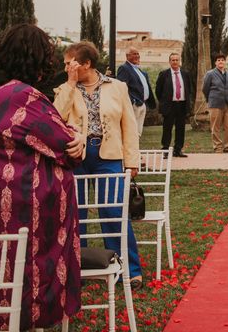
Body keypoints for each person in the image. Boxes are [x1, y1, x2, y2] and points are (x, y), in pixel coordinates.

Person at [0, 24, 83, 331]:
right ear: (36, 59)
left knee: (1, 278)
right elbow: (64, 143)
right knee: (25, 284)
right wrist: (79, 139)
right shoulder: (24, 97)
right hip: (26, 218)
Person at [53, 41, 144, 290]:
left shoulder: (117, 87)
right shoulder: (64, 88)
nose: (65, 67)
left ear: (86, 64)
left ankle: (128, 269)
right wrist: (71, 84)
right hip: (76, 157)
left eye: (69, 63)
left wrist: (131, 161)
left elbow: (129, 126)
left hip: (110, 156)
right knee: (76, 213)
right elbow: (54, 118)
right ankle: (76, 270)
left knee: (113, 212)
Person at [156, 52, 191, 157]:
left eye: (177, 60)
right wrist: (164, 102)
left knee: (181, 128)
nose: (175, 62)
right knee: (167, 128)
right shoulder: (164, 74)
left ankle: (178, 150)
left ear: (179, 61)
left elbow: (189, 89)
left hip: (182, 105)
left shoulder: (185, 74)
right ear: (169, 62)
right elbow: (158, 91)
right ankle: (165, 150)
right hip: (169, 105)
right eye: (173, 60)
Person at [117, 46, 156, 138]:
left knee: (138, 133)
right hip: (133, 106)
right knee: (130, 132)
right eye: (134, 54)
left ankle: (134, 151)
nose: (137, 56)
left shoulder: (139, 70)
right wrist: (132, 101)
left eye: (138, 54)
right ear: (127, 56)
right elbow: (121, 88)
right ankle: (128, 152)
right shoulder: (124, 68)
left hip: (142, 104)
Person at [203, 53, 228, 153]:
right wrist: (210, 99)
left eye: (222, 60)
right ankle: (218, 147)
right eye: (218, 60)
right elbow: (205, 89)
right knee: (215, 127)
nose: (221, 61)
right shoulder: (210, 74)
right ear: (215, 62)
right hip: (215, 104)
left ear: (225, 62)